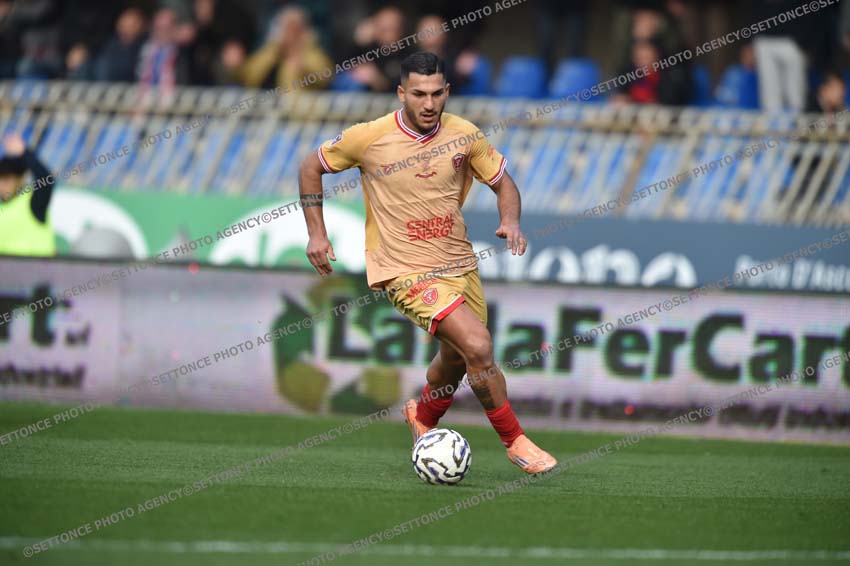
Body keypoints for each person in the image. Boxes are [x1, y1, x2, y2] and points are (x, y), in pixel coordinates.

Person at [298, 52, 557, 475]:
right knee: (478, 346)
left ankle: (423, 418)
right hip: (403, 270)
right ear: (402, 93)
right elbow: (311, 166)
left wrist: (510, 220)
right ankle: (516, 442)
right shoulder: (370, 137)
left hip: (459, 263)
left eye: (437, 93)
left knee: (456, 359)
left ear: (447, 91)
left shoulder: (464, 134)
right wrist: (316, 233)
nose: (429, 103)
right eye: (419, 94)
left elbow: (503, 183)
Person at [238, 5, 332, 90]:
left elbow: (326, 78)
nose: (287, 32)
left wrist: (304, 68)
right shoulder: (271, 50)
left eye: (292, 27)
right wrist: (272, 53)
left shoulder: (312, 52)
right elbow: (247, 77)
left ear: (302, 30)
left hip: (300, 103)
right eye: (284, 27)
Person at [0, 134, 56, 257]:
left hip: (38, 267)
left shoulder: (33, 202)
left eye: (7, 179)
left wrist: (24, 152)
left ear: (21, 179)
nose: (2, 185)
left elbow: (46, 180)